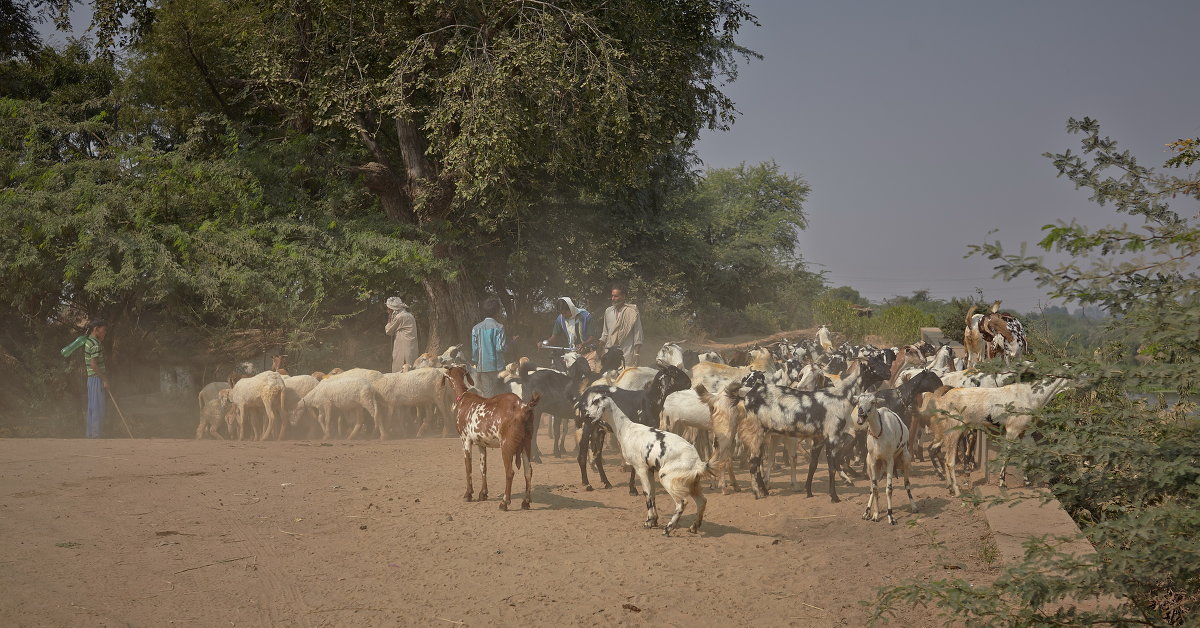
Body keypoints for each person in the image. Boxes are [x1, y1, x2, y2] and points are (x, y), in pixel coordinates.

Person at [543, 297, 600, 370]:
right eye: (562, 313)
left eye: (565, 312)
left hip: (589, 354)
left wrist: (583, 344)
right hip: (573, 354)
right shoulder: (560, 319)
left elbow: (592, 337)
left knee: (590, 374)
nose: (564, 315)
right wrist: (545, 343)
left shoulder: (586, 316)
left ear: (571, 308)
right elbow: (554, 336)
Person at [471, 298, 508, 397]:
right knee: (500, 394)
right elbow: (500, 347)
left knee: (488, 394)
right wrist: (507, 347)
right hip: (497, 367)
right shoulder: (499, 327)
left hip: (483, 368)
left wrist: (477, 363)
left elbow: (475, 351)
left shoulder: (476, 329)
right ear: (497, 311)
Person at [599, 286, 644, 367]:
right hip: (609, 352)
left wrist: (637, 354)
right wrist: (600, 347)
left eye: (616, 296)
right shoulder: (608, 311)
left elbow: (638, 334)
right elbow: (605, 333)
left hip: (626, 353)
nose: (613, 298)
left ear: (623, 296)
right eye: (612, 296)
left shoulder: (632, 311)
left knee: (625, 377)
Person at [82, 318, 109, 439]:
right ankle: (96, 435)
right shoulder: (96, 344)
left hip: (91, 379)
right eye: (103, 330)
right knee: (98, 408)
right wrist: (104, 379)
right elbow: (93, 364)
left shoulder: (88, 341)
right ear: (96, 330)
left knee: (92, 407)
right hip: (96, 379)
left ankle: (91, 434)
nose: (105, 333)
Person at [385, 297, 419, 372]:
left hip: (402, 345)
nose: (388, 311)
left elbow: (389, 331)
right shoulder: (410, 315)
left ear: (393, 309)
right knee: (411, 365)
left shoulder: (400, 317)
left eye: (389, 309)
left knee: (401, 366)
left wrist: (390, 318)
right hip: (411, 346)